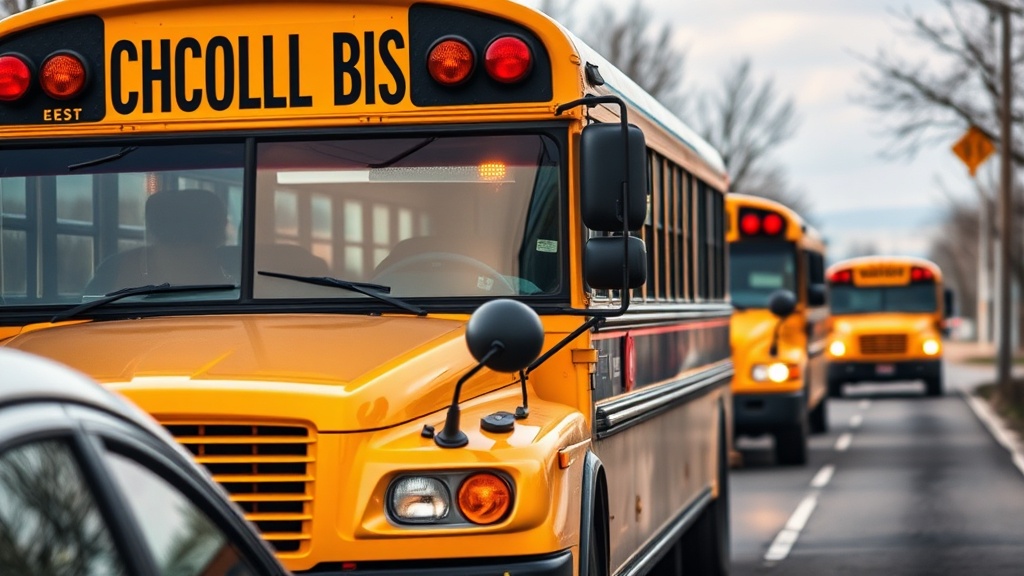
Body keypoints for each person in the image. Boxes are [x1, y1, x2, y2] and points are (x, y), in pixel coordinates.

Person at [83, 188, 231, 295]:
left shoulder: (118, 267)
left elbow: (84, 305)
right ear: (217, 228)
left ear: (152, 228)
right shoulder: (237, 264)